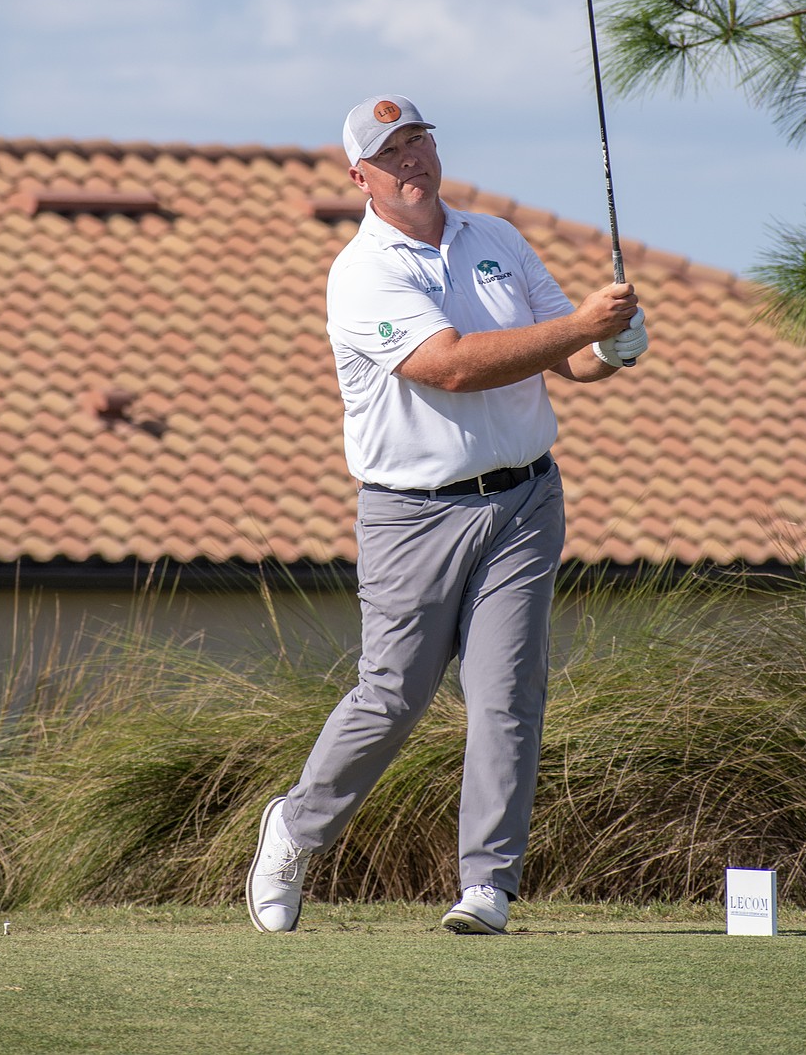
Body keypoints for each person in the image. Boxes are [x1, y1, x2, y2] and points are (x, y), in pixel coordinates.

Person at [246, 94, 647, 935]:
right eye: (391, 154)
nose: (412, 162)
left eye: (420, 143)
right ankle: (297, 827)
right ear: (362, 176)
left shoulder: (496, 239)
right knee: (394, 693)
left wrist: (608, 347)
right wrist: (580, 325)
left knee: (505, 691)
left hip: (527, 499)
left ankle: (487, 885)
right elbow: (453, 368)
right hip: (412, 513)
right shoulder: (363, 272)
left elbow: (566, 356)